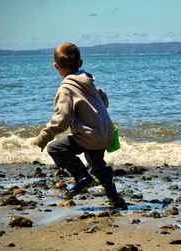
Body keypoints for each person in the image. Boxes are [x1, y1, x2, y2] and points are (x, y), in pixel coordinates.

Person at [33, 42, 126, 209]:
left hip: (90, 135)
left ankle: (82, 177)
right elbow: (103, 102)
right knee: (98, 166)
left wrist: (44, 136)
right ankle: (115, 199)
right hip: (105, 133)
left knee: (55, 149)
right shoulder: (88, 81)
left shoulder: (66, 88)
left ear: (56, 66)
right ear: (81, 63)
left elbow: (62, 119)